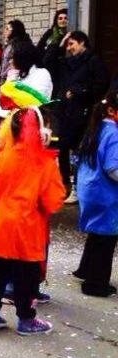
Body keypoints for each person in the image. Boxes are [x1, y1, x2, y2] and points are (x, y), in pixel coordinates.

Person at [0, 108, 65, 334]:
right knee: (27, 276)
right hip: (26, 230)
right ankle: (26, 319)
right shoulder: (43, 164)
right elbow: (53, 201)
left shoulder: (1, 158)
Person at [47, 31, 110, 201]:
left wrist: (79, 92)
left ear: (82, 43)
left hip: (84, 112)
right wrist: (59, 44)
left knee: (79, 149)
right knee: (63, 148)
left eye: (72, 44)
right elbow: (49, 62)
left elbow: (101, 85)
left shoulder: (93, 61)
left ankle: (77, 187)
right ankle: (64, 184)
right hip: (66, 111)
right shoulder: (68, 62)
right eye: (68, 45)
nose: (70, 48)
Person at [73, 89, 118, 297]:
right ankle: (95, 284)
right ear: (112, 110)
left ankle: (85, 270)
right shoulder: (114, 133)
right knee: (106, 238)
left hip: (90, 188)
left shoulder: (97, 127)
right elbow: (113, 168)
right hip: (105, 193)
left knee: (96, 233)